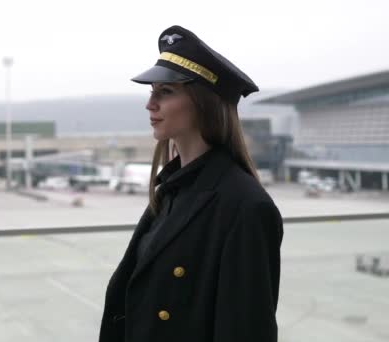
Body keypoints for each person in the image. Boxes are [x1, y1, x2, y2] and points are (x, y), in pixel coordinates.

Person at [99, 25, 284, 342]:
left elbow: (245, 329)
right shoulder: (173, 189)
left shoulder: (244, 207)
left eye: (165, 92)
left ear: (203, 103)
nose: (150, 104)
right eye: (151, 92)